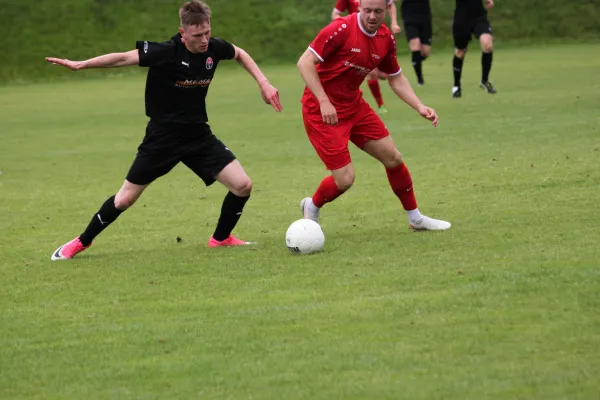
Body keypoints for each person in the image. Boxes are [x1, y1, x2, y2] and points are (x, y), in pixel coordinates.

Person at [47, 0, 282, 261]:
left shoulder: (213, 48)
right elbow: (124, 58)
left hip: (198, 135)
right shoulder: (166, 52)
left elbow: (239, 53)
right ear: (183, 33)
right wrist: (81, 64)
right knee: (124, 200)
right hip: (162, 139)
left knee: (242, 185)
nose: (204, 40)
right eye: (197, 35)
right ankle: (81, 241)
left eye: (207, 33)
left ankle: (221, 238)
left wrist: (264, 83)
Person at [297, 0, 451, 233]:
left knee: (393, 158)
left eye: (378, 11)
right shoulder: (340, 29)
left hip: (353, 106)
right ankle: (312, 205)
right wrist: (323, 100)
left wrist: (419, 106)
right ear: (359, 7)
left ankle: (415, 218)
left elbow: (395, 77)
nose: (371, 16)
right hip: (322, 111)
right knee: (345, 179)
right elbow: (304, 62)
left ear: (387, 10)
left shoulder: (385, 38)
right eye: (367, 10)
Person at [332, 0, 402, 114]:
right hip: (358, 38)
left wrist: (394, 23)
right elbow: (335, 13)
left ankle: (354, 91)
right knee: (372, 73)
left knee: (384, 75)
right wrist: (345, 24)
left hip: (379, 38)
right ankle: (380, 105)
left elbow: (391, 5)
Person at [451, 0, 496, 98]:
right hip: (462, 18)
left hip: (479, 16)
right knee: (460, 52)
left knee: (487, 45)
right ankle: (456, 85)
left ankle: (484, 80)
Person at [400, 0, 432, 86]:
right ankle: (420, 80)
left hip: (425, 18)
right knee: (415, 45)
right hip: (409, 18)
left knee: (425, 52)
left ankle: (415, 61)